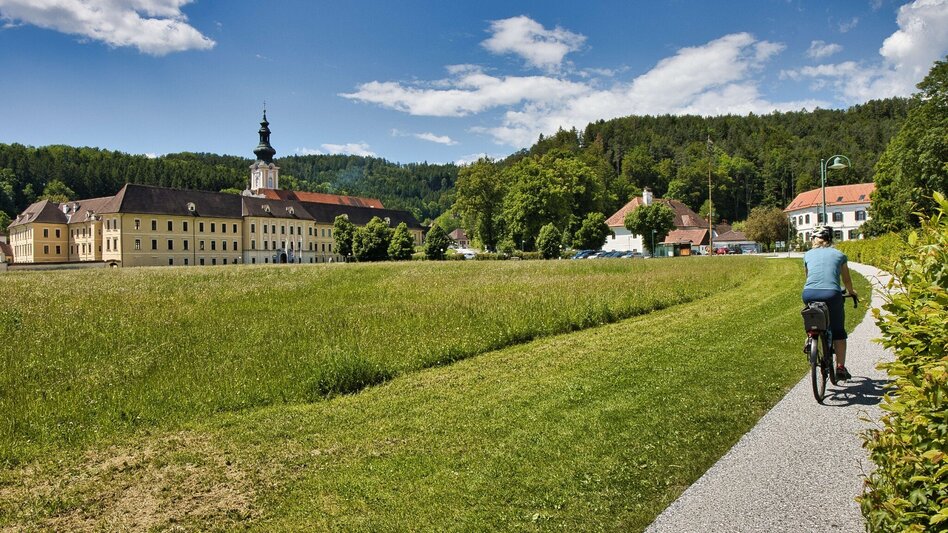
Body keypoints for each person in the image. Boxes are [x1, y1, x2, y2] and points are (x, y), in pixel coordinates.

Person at [802, 226, 858, 380]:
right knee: (838, 331)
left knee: (813, 316)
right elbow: (846, 279)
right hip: (832, 294)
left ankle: (810, 337)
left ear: (814, 239)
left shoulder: (807, 255)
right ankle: (840, 367)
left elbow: (808, 277)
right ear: (830, 239)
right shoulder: (839, 255)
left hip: (809, 293)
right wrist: (851, 292)